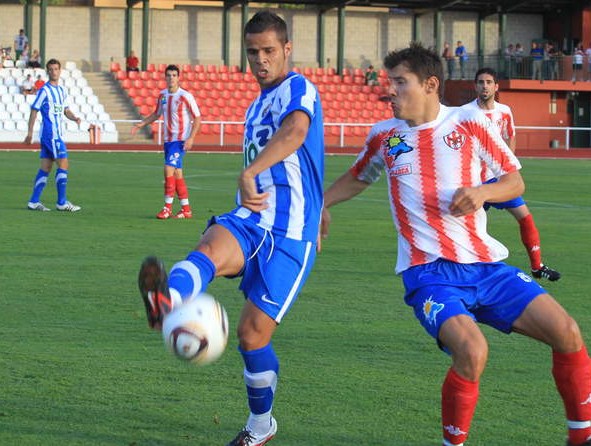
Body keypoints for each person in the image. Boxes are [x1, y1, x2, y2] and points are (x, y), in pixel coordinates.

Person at [321, 43, 591, 446]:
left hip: (486, 266)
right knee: (472, 350)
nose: (389, 90)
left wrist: (483, 193)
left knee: (567, 331)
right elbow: (359, 176)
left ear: (430, 85)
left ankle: (581, 437)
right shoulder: (385, 136)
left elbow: (514, 181)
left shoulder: (469, 123)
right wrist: (321, 204)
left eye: (400, 82)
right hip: (429, 273)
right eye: (389, 81)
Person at [137, 10, 324, 446]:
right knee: (208, 250)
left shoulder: (298, 88)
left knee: (251, 337)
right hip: (251, 217)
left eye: (269, 50)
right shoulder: (255, 106)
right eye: (253, 52)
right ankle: (167, 302)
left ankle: (261, 425)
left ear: (287, 49)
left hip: (292, 232)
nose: (261, 60)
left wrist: (254, 174)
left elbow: (297, 132)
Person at [464, 67, 560, 280]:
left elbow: (510, 136)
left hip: (498, 181)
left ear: (496, 86)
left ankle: (537, 266)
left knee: (525, 217)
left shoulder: (504, 111)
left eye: (489, 82)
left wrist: (507, 169)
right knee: (467, 227)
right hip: (475, 182)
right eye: (480, 82)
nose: (485, 86)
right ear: (475, 86)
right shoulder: (465, 113)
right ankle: (460, 267)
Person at [131, 64, 202, 219]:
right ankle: (186, 209)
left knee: (168, 169)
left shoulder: (185, 96)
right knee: (177, 174)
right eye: (169, 75)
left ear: (179, 77)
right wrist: (142, 123)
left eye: (174, 75)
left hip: (180, 140)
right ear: (165, 77)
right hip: (168, 141)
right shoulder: (162, 95)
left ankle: (167, 208)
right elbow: (157, 114)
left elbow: (197, 117)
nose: (171, 78)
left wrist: (191, 138)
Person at [24, 58, 82, 212]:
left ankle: (33, 201)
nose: (54, 72)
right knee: (63, 164)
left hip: (54, 135)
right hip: (51, 134)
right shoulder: (44, 90)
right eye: (51, 69)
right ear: (47, 71)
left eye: (56, 69)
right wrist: (29, 133)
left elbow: (66, 110)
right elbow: (34, 110)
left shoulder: (61, 91)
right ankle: (61, 202)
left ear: (60, 71)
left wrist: (75, 117)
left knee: (46, 167)